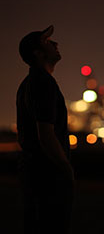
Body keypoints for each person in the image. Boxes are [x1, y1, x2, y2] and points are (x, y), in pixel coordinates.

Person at [16, 25, 75, 234]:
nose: (55, 44)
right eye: (48, 42)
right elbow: (46, 135)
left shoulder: (28, 83)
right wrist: (65, 168)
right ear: (38, 53)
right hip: (48, 177)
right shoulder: (43, 83)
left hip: (34, 174)